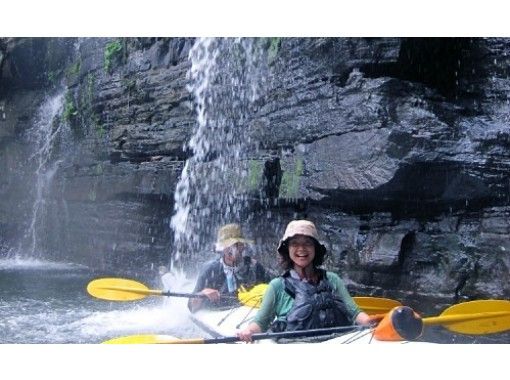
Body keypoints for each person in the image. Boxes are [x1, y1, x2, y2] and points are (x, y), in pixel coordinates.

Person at [237, 219, 372, 342]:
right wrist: (248, 331)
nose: (301, 248)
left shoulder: (332, 279)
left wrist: (372, 321)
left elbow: (354, 313)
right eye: (294, 243)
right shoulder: (277, 286)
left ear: (315, 248)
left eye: (308, 243)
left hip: (336, 343)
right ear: (287, 249)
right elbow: (261, 322)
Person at [187, 223, 270, 313]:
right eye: (228, 245)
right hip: (217, 316)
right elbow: (191, 307)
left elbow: (274, 290)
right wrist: (202, 294)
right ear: (221, 248)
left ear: (243, 246)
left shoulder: (254, 267)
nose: (232, 249)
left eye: (236, 245)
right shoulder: (210, 269)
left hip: (248, 316)